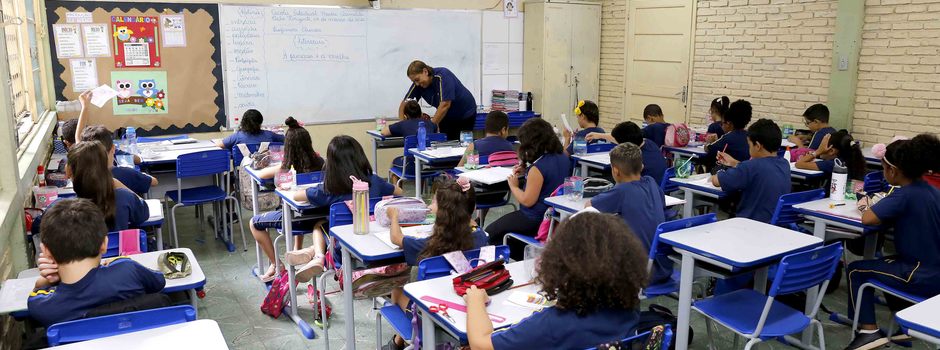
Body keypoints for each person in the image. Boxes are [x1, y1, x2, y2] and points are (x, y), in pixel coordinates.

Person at [465, 212, 646, 349]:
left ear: (561, 263)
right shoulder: (630, 307)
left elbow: (480, 344)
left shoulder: (553, 324)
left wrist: (475, 301)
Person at [845, 134, 940, 350]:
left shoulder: (904, 195)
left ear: (893, 171)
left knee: (856, 270)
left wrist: (864, 205)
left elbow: (868, 219)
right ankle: (903, 328)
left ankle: (868, 331)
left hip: (919, 274)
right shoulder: (932, 191)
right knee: (887, 266)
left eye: (883, 168)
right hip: (934, 271)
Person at [264, 136, 402, 283]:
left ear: (331, 163)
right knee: (326, 226)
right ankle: (312, 251)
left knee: (319, 225)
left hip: (344, 249)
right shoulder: (374, 181)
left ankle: (318, 256)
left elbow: (297, 196)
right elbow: (399, 192)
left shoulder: (330, 187)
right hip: (375, 241)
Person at [384, 177, 488, 350]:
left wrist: (394, 217)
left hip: (433, 314)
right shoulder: (482, 237)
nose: (430, 206)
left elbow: (396, 238)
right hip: (468, 309)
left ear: (443, 213)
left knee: (397, 290)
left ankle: (397, 343)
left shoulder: (434, 244)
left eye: (434, 202)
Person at [28, 198, 165, 326]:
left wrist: (46, 281)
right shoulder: (128, 270)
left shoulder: (42, 307)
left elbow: (37, 296)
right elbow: (159, 281)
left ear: (46, 251)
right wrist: (116, 264)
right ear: (104, 244)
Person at [248, 117, 325, 282]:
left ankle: (276, 265)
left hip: (297, 221)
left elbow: (261, 175)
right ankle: (297, 249)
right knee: (294, 208)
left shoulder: (287, 166)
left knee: (254, 223)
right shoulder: (321, 162)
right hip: (319, 220)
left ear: (287, 147)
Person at [485, 119, 570, 259]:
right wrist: (526, 171)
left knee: (489, 233)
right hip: (554, 217)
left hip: (534, 218)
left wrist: (513, 186)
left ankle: (526, 257)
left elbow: (527, 200)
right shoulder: (563, 157)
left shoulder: (538, 168)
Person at [587, 143, 668, 285]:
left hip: (637, 270)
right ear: (641, 166)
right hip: (661, 266)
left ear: (615, 170)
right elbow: (661, 205)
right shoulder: (651, 182)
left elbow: (589, 208)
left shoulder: (622, 191)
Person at [710, 118, 790, 223]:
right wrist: (735, 163)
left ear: (757, 146)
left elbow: (716, 181)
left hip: (750, 223)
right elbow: (757, 170)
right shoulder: (784, 163)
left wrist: (715, 173)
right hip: (775, 224)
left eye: (749, 145)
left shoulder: (750, 167)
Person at [58, 141, 149, 231]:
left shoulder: (60, 210)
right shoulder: (124, 197)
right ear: (106, 166)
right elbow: (143, 213)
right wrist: (116, 183)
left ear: (68, 171)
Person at [401, 60, 478, 140]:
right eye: (413, 81)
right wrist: (403, 126)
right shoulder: (418, 84)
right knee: (446, 142)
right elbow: (404, 104)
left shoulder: (443, 76)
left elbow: (445, 105)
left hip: (465, 113)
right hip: (446, 115)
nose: (416, 84)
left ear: (425, 71)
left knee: (462, 143)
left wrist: (430, 127)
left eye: (417, 80)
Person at [80, 125, 157, 196]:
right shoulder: (126, 173)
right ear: (113, 148)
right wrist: (143, 174)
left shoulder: (81, 178)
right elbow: (154, 182)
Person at [388, 100, 439, 183]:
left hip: (410, 167)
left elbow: (384, 132)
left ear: (406, 115)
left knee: (394, 164)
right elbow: (437, 133)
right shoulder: (431, 124)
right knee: (421, 161)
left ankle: (398, 191)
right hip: (430, 166)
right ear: (421, 113)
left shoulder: (403, 124)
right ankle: (421, 191)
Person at [795, 130, 866, 181]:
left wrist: (818, 151)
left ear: (831, 151)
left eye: (821, 146)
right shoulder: (850, 160)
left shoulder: (833, 164)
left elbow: (799, 164)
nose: (820, 147)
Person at [705, 99, 752, 166]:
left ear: (729, 123)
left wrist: (709, 142)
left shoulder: (728, 137)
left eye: (722, 123)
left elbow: (708, 149)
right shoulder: (750, 136)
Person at [215, 109, 285, 150]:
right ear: (260, 122)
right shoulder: (269, 135)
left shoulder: (237, 136)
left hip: (243, 168)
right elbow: (286, 139)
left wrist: (218, 141)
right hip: (266, 167)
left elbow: (219, 145)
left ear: (243, 122)